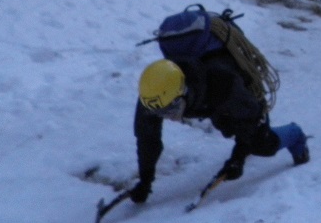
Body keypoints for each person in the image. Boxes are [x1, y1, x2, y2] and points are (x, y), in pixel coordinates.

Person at [129, 51, 309, 204]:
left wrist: (237, 158)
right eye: (161, 114)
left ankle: (295, 134)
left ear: (183, 91)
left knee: (261, 144)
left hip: (244, 97)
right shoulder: (153, 96)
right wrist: (145, 180)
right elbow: (147, 139)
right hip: (211, 104)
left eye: (172, 110)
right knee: (231, 127)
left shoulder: (223, 84)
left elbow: (251, 119)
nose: (170, 118)